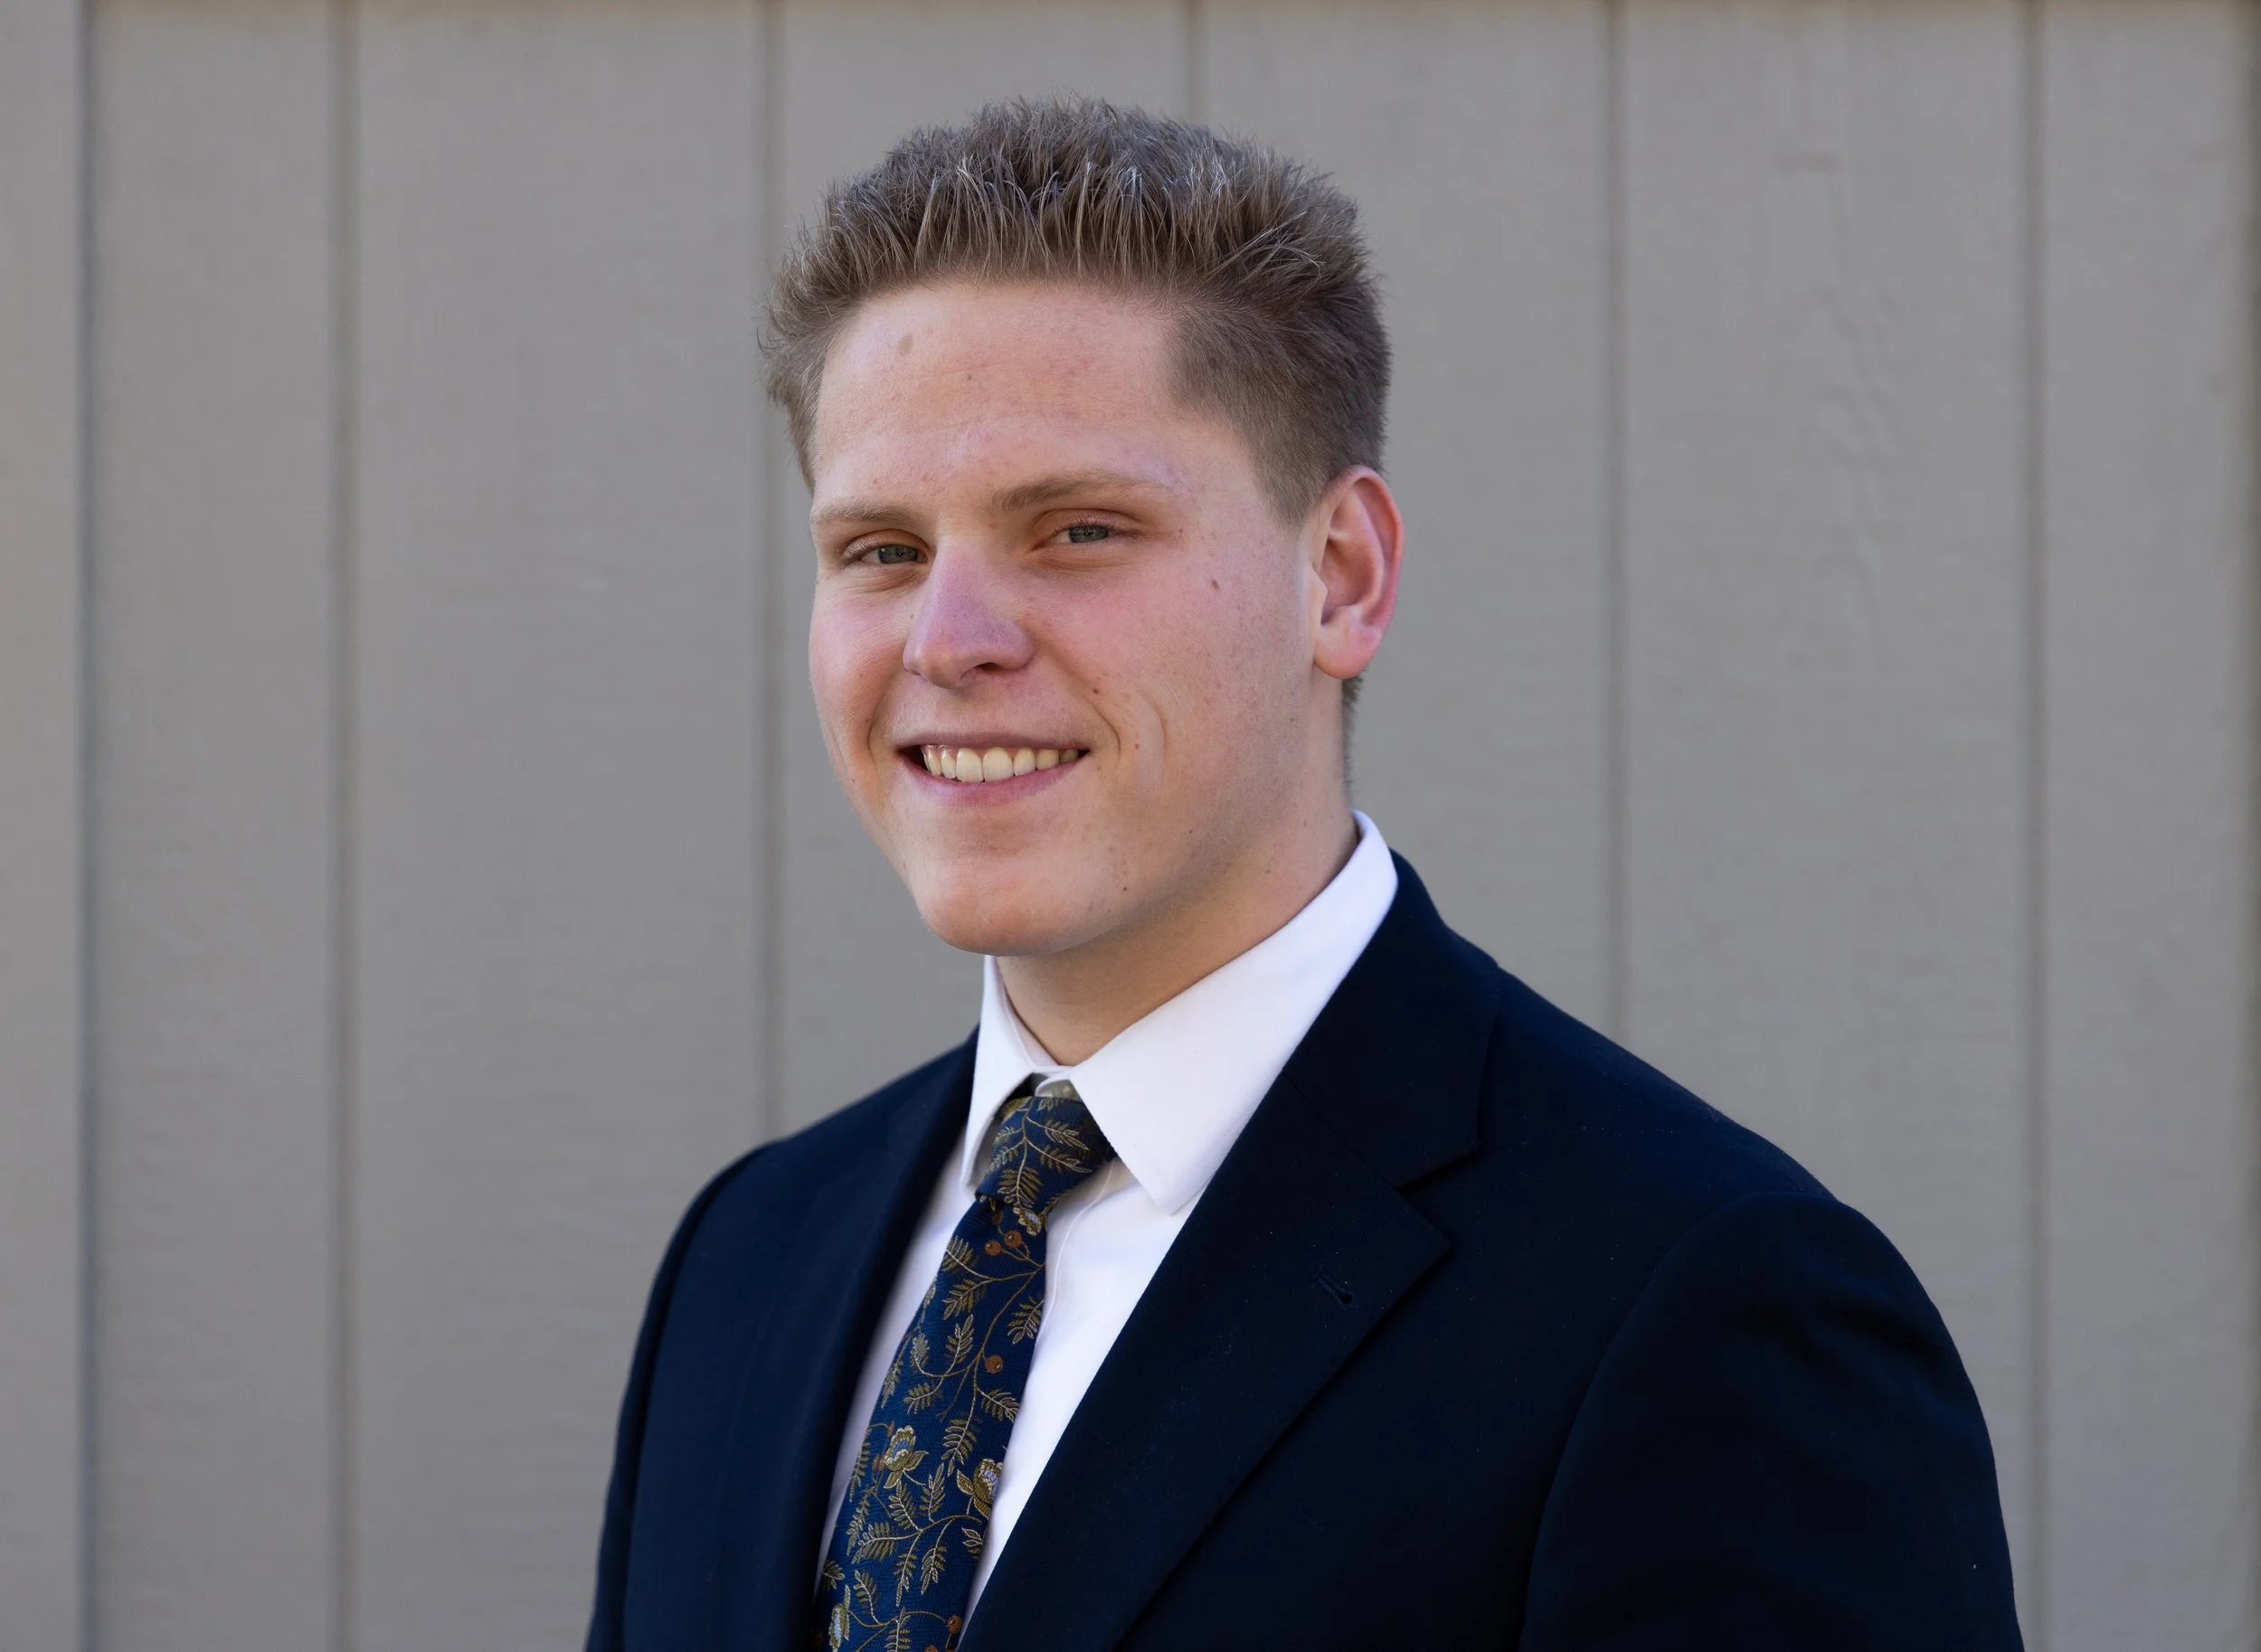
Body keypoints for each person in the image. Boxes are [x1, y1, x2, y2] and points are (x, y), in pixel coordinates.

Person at [586, 97, 2022, 1651]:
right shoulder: (749, 1257)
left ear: (1340, 577)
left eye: (1076, 528)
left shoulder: (1699, 1303)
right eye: (879, 550)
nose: (949, 640)